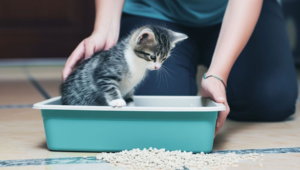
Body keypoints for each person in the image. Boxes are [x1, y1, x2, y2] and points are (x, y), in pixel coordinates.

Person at [62, 0, 298, 136]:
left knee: (272, 98)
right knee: (156, 112)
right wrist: (104, 30)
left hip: (240, 9)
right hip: (154, 11)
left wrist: (218, 74)